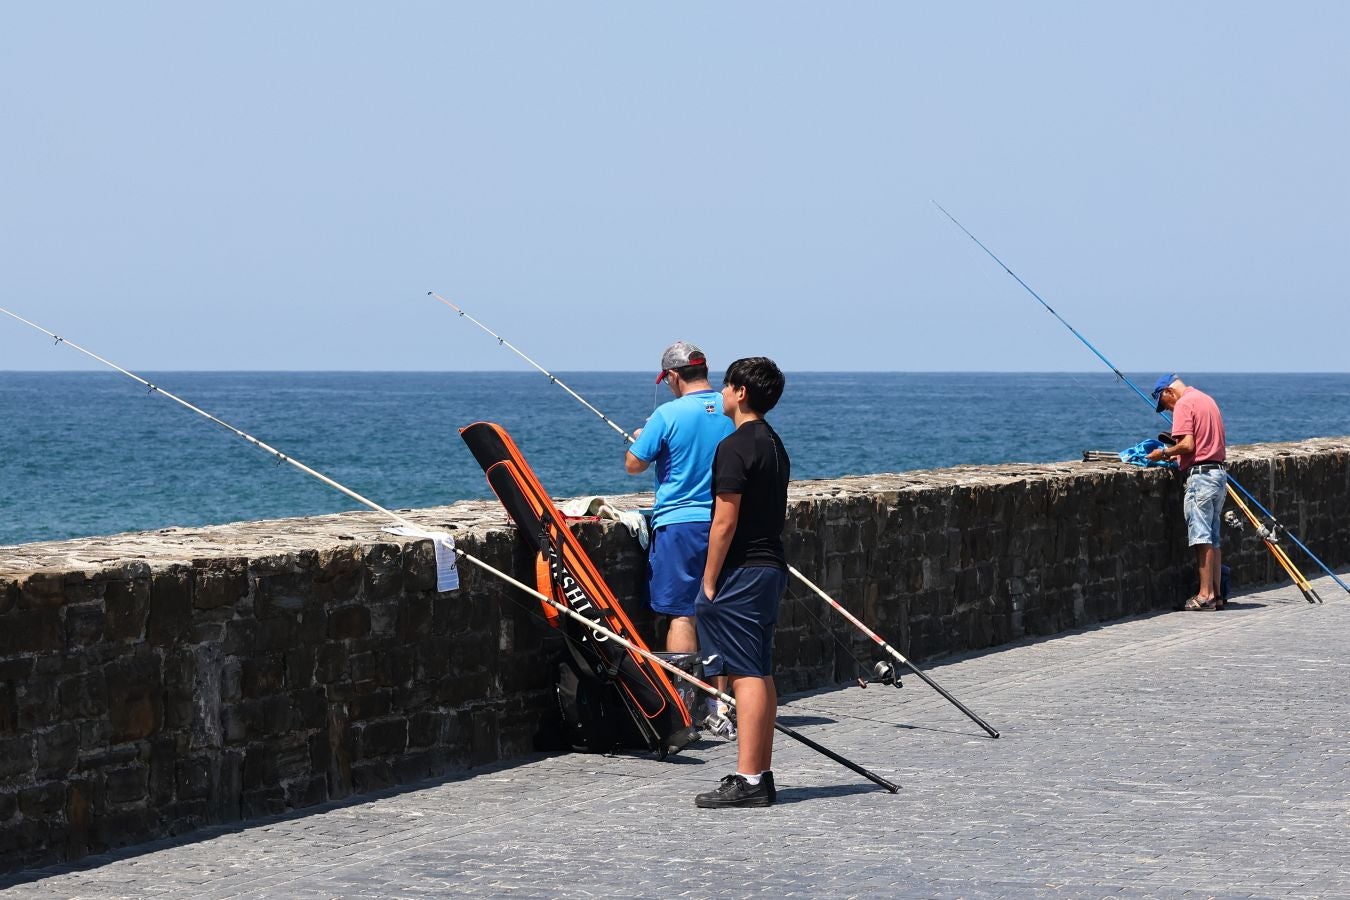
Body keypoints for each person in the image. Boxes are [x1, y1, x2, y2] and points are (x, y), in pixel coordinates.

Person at [694, 357, 789, 809]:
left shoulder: (734, 446)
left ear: (741, 393)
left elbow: (724, 521)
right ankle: (759, 772)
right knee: (760, 669)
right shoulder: (773, 443)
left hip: (743, 571)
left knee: (744, 672)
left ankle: (749, 779)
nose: (722, 394)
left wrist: (709, 581)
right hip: (769, 566)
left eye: (727, 386)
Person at [625, 341, 734, 653]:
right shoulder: (730, 408)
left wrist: (642, 438)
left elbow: (634, 465)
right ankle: (720, 700)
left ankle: (685, 697)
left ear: (672, 376)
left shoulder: (667, 414)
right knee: (720, 614)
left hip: (680, 525)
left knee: (682, 615)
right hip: (726, 520)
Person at [1146, 374, 1228, 610]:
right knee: (1213, 537)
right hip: (1218, 474)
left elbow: (1188, 445)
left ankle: (1205, 595)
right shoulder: (1206, 399)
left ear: (1168, 392)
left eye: (1165, 403)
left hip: (1201, 478)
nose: (1169, 410)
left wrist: (1162, 453)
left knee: (1201, 537)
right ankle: (1217, 595)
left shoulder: (1183, 403)